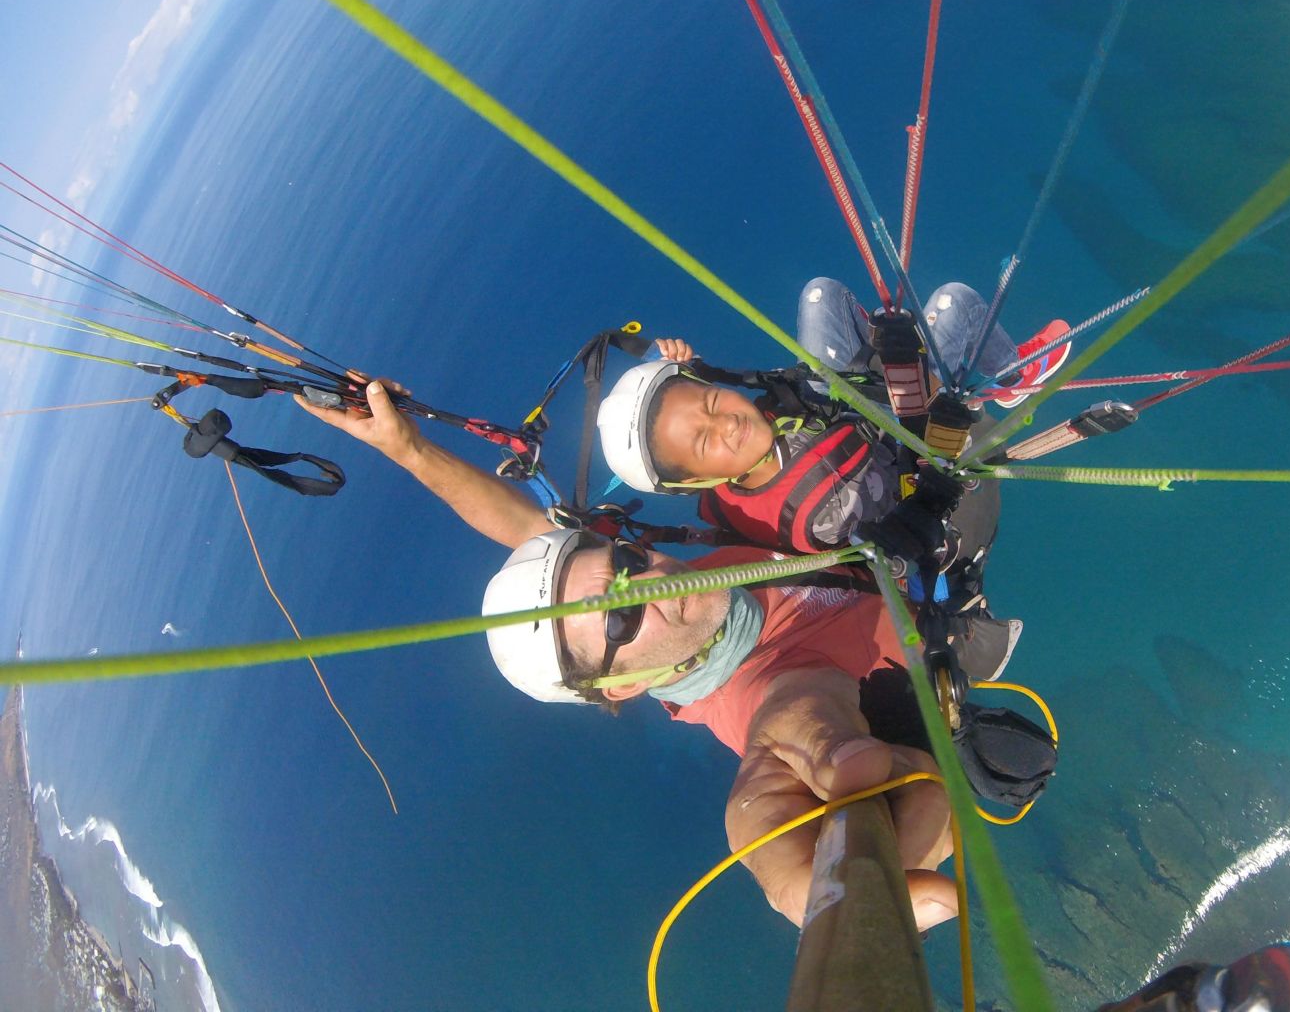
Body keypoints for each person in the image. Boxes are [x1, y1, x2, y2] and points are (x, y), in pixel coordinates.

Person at [295, 379, 959, 931]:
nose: (648, 583)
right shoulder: (759, 691)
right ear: (621, 689)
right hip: (944, 621)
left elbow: (525, 528)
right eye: (618, 619)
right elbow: (792, 717)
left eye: (624, 562)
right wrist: (846, 851)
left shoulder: (699, 595)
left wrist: (408, 449)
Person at [597, 277, 1070, 557]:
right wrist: (914, 380)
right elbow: (912, 498)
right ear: (695, 481)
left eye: (711, 401)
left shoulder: (740, 453)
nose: (725, 424)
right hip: (908, 449)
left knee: (820, 293)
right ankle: (1013, 379)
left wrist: (690, 369)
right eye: (704, 442)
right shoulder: (818, 514)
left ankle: (883, 339)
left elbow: (717, 420)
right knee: (954, 302)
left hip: (842, 416)